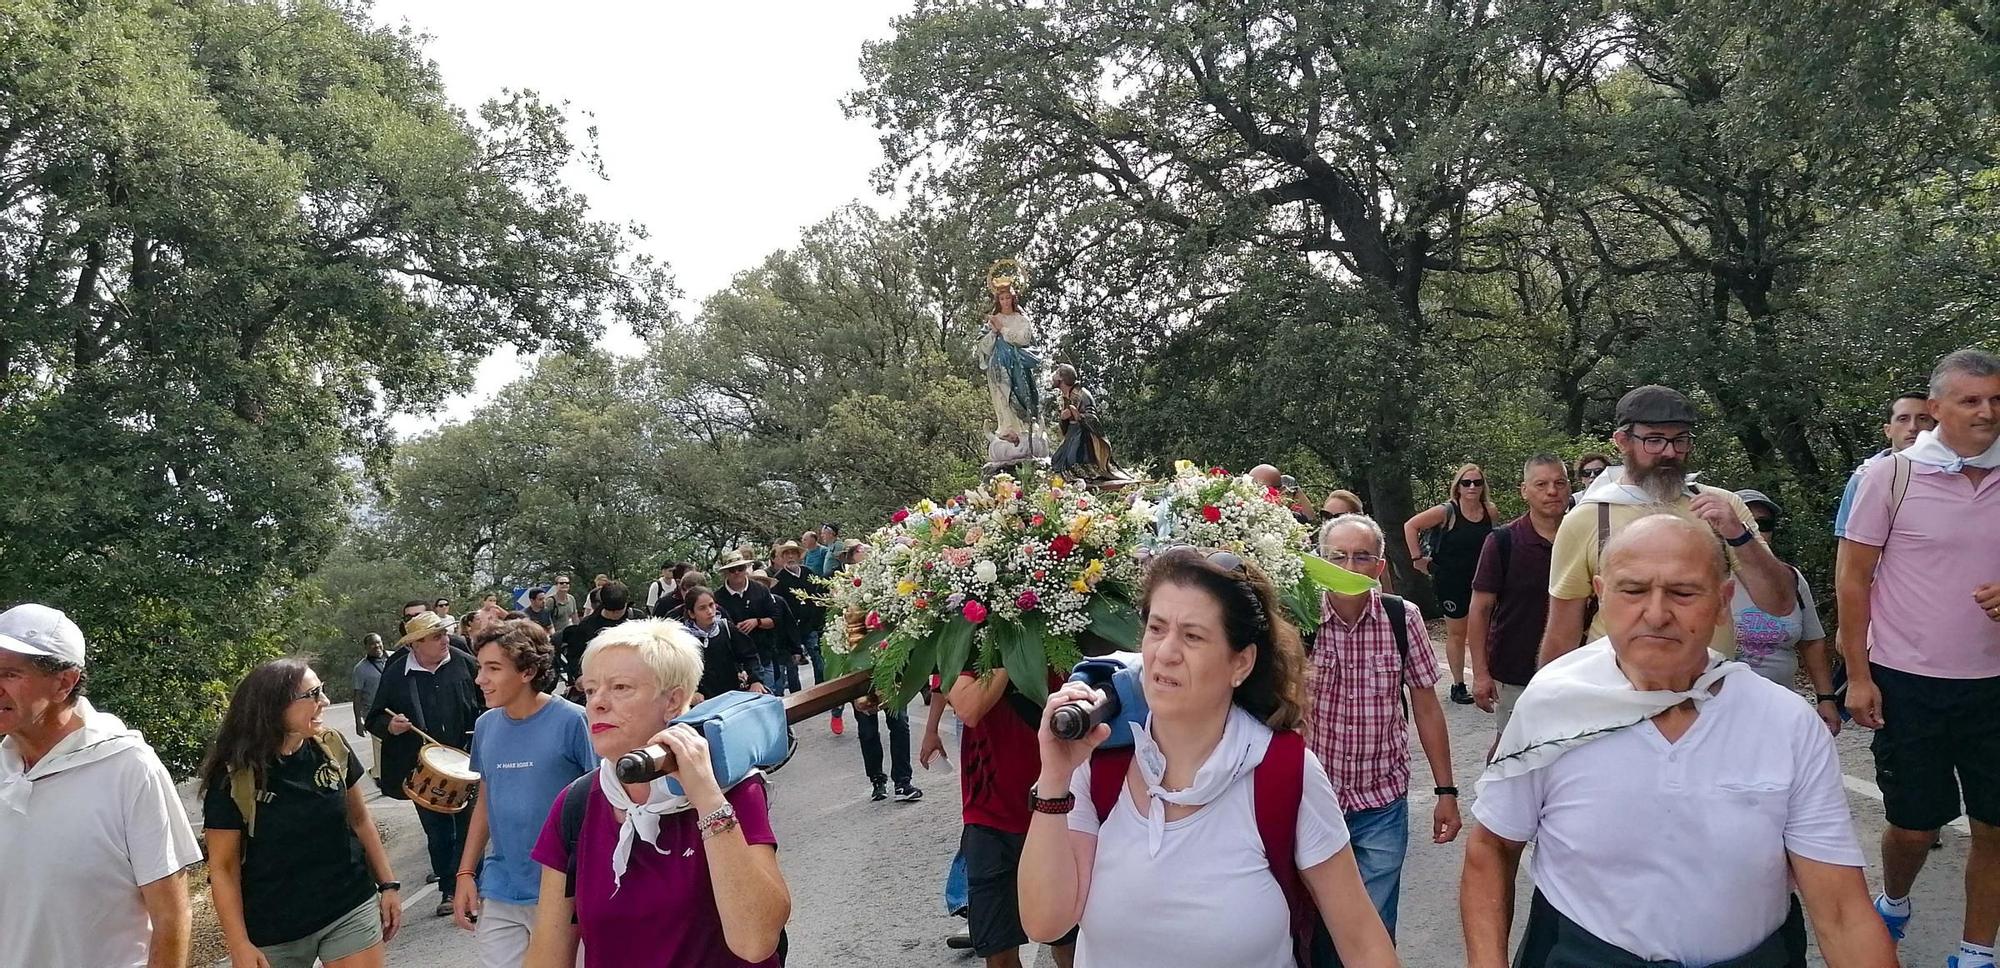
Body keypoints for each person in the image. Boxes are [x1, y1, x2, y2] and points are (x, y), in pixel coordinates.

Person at [1461, 515, 1895, 967]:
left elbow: (1841, 911)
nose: (1656, 613)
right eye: (1633, 590)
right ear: (1601, 595)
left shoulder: (1784, 723)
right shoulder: (1555, 706)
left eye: (1683, 592)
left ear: (1723, 602)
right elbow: (1493, 848)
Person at [1017, 547, 1398, 967]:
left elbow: (1363, 942)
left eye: (1192, 636)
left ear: (1241, 663)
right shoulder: (1100, 762)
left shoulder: (1284, 773)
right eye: (1156, 628)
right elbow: (1045, 923)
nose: (1166, 652)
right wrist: (1054, 778)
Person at [1838, 348, 2000, 964]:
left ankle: (1976, 952)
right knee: (1914, 826)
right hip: (1908, 680)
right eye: (1971, 400)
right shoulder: (1891, 477)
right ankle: (1896, 899)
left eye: (1997, 400)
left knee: (1995, 826)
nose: (1987, 412)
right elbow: (1853, 579)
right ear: (1936, 408)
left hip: (1995, 683)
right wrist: (1858, 677)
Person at [523, 620, 791, 967]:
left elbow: (756, 941)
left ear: (673, 700)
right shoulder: (576, 804)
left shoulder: (731, 788)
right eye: (589, 690)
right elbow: (547, 955)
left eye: (620, 687)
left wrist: (706, 797)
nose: (597, 703)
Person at [0, 603, 202, 968]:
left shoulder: (129, 767)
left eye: (10, 674)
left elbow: (171, 917)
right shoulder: (4, 768)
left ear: (65, 682)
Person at [1540, 384, 1798, 663]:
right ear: (1622, 441)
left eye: (1680, 440)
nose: (1670, 452)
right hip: (1616, 684)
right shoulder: (1587, 518)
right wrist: (1547, 689)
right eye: (1654, 440)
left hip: (1707, 682)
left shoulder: (1723, 507)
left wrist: (1738, 535)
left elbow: (1780, 603)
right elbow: (1562, 632)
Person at [1310, 514, 1461, 939]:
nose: (1349, 567)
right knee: (1313, 924)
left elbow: (1427, 706)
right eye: (1337, 557)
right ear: (1320, 561)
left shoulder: (1402, 618)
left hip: (1381, 801)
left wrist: (1446, 792)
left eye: (1362, 557)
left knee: (1372, 928)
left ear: (1379, 567)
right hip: (1312, 802)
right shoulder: (1298, 619)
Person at [202, 658, 402, 968]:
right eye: (313, 695)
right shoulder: (233, 776)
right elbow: (224, 868)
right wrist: (238, 943)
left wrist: (388, 885)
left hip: (348, 906)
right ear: (273, 707)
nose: (325, 701)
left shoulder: (330, 747)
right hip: (272, 929)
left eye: (322, 690)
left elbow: (360, 820)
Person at [452, 620, 597, 966]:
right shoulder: (485, 726)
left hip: (564, 889)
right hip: (501, 886)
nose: (480, 679)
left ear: (528, 672)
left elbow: (601, 800)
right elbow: (486, 800)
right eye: (479, 668)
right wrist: (465, 872)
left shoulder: (573, 721)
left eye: (493, 668)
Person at [367, 609, 484, 918]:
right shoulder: (397, 674)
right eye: (436, 636)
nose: (445, 640)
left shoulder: (464, 663)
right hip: (423, 768)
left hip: (468, 760)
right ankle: (448, 888)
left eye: (444, 633)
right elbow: (374, 717)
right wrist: (391, 727)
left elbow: (489, 700)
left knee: (470, 828)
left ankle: (473, 884)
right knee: (439, 833)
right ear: (415, 644)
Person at [1466, 455, 1572, 758]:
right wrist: (1481, 674)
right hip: (1516, 670)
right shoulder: (1503, 542)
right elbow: (1480, 609)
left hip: (1574, 669)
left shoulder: (1585, 536)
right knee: (1510, 750)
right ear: (1524, 490)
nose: (1552, 491)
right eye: (1541, 484)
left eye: (1560, 483)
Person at [1730, 490, 1838, 731]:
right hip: (1722, 712)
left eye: (1764, 524)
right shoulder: (1705, 580)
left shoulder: (1791, 579)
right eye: (1745, 523)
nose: (1755, 531)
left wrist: (1826, 699)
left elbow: (1812, 642)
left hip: (1780, 710)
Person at [1404, 463, 1498, 705]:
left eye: (1477, 482)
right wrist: (1417, 559)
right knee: (1458, 633)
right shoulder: (1448, 511)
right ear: (1458, 486)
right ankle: (1458, 684)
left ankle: (1487, 679)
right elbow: (1411, 525)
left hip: (1481, 580)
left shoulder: (1490, 511)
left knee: (1486, 630)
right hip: (1450, 579)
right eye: (1466, 482)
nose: (1472, 487)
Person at [1832, 391, 1937, 540]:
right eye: (1903, 419)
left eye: (1923, 419)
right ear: (1888, 430)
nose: (1913, 427)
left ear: (1935, 427)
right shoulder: (1864, 478)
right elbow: (1847, 540)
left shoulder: (1953, 474)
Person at [976, 276, 1042, 445]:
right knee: (1003, 395)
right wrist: (993, 332)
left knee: (1021, 392)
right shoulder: (993, 320)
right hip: (998, 367)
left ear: (1013, 299)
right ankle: (1007, 428)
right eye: (1002, 299)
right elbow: (983, 347)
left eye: (1008, 298)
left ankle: (1025, 426)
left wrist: (1003, 329)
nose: (1005, 302)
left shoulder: (1021, 319)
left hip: (1017, 364)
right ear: (998, 301)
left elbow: (1024, 338)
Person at [679, 586, 767, 700]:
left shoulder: (726, 628)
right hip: (703, 702)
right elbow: (676, 674)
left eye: (711, 605)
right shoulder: (682, 638)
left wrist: (755, 681)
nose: (709, 611)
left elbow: (750, 655)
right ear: (691, 613)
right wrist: (691, 694)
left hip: (732, 696)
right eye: (702, 608)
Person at [559, 582, 641, 701]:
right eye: (611, 611)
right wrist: (579, 676)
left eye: (619, 611)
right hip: (601, 681)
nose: (615, 615)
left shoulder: (638, 619)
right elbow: (575, 654)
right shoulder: (588, 625)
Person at [714, 552, 782, 694]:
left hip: (763, 654)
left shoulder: (760, 590)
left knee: (769, 695)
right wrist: (733, 630)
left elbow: (776, 619)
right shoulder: (717, 598)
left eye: (741, 568)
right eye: (732, 569)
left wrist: (757, 622)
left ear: (746, 568)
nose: (737, 572)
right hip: (736, 663)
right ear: (726, 573)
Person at [852, 684, 921, 803]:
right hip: (860, 682)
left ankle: (902, 782)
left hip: (890, 679)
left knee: (900, 724)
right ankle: (877, 780)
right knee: (868, 732)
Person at [1050, 363, 1118, 481]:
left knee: (1071, 463)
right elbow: (1065, 426)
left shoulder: (1082, 394)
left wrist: (1078, 415)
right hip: (1072, 433)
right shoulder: (1065, 397)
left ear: (1062, 378)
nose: (1053, 376)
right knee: (1056, 461)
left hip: (1084, 437)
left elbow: (1093, 419)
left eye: (1056, 373)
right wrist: (1063, 418)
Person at [352, 633, 387, 734]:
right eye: (372, 644)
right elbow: (357, 697)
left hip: (397, 712)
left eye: (378, 642)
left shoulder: (394, 658)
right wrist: (358, 720)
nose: (376, 646)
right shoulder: (360, 669)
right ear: (366, 647)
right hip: (376, 716)